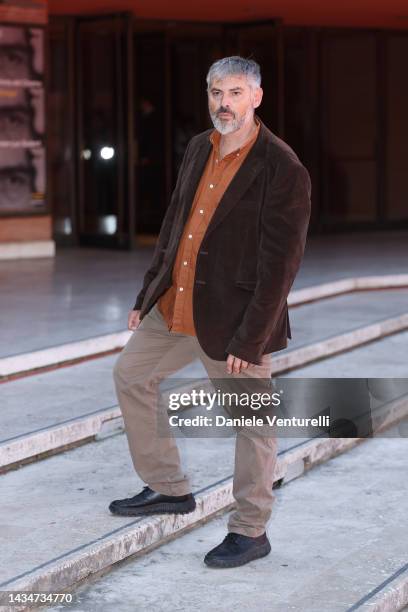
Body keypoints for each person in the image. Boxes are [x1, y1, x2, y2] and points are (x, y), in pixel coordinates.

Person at [110, 56, 312, 568]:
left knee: (252, 423)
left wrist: (251, 339)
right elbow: (176, 224)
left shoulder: (281, 166)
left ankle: (251, 530)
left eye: (236, 93)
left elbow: (281, 266)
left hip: (235, 320)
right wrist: (148, 293)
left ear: (257, 97)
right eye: (217, 92)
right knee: (131, 375)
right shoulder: (200, 146)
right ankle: (168, 486)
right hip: (176, 304)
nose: (225, 103)